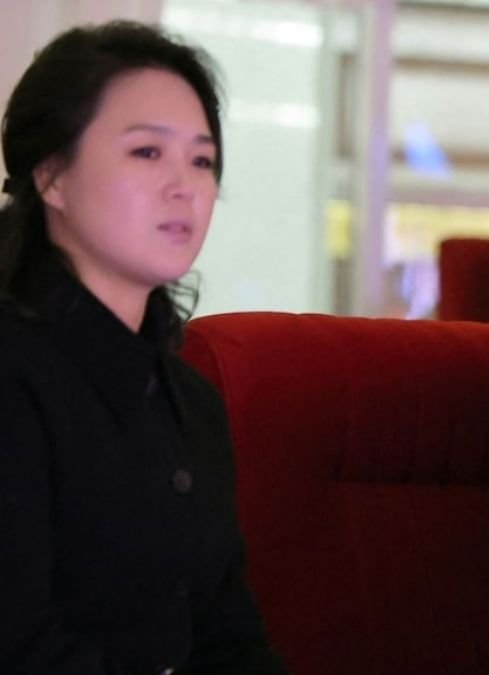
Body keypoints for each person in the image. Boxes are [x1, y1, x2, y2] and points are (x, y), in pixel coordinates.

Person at [0, 21, 285, 673]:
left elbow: (230, 637)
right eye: (147, 152)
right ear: (51, 175)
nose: (184, 185)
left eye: (202, 160)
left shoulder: (192, 401)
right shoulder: (13, 376)